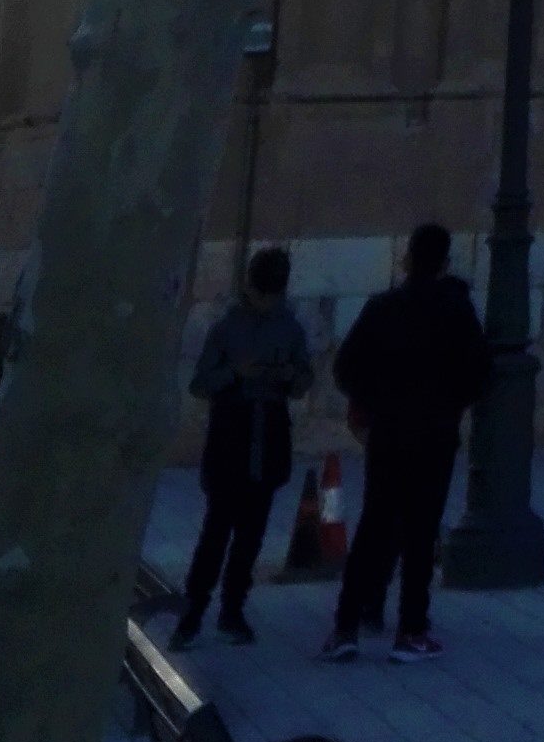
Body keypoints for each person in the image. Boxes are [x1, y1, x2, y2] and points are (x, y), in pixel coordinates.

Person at [319, 220, 492, 661]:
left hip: (390, 432)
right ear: (444, 263)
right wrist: (449, 403)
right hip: (435, 434)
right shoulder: (457, 312)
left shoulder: (383, 308)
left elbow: (347, 367)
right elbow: (479, 374)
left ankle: (345, 627)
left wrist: (375, 402)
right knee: (421, 531)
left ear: (408, 258)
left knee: (373, 526)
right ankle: (411, 629)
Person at [172, 247, 315, 647]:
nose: (268, 302)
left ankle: (232, 610)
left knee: (251, 533)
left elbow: (303, 380)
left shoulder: (290, 328)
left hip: (269, 432)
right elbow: (200, 384)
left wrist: (288, 374)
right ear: (249, 288)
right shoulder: (226, 329)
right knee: (216, 530)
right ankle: (192, 613)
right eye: (263, 293)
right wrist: (234, 373)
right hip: (231, 432)